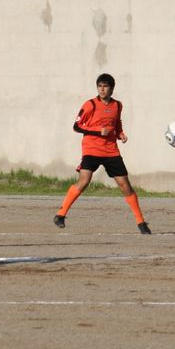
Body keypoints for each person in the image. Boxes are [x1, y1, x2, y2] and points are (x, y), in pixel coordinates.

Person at [53, 73, 151, 234]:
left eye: (105, 86)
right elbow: (76, 126)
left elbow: (116, 123)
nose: (102, 89)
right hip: (91, 149)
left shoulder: (117, 105)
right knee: (84, 181)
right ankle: (60, 215)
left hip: (111, 150)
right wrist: (98, 131)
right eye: (100, 86)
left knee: (125, 185)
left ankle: (141, 222)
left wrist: (120, 134)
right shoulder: (90, 104)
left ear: (112, 89)